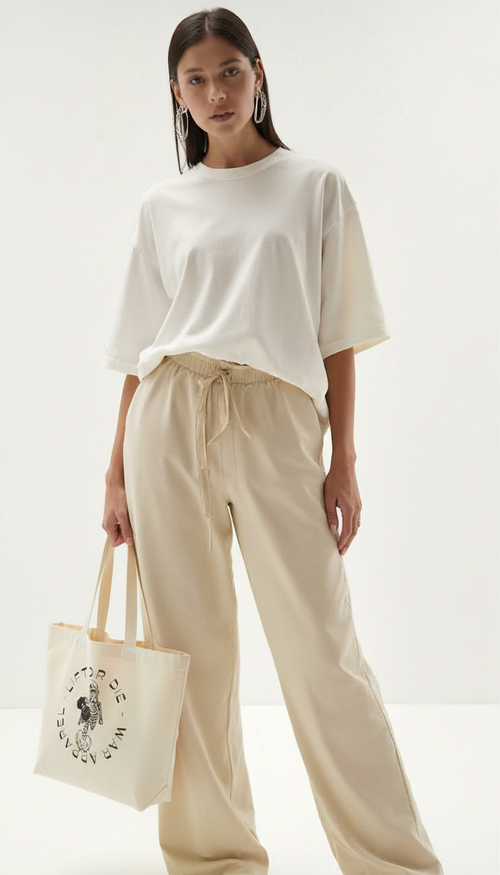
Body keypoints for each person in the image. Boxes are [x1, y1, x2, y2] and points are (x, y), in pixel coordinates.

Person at [101, 7, 445, 875]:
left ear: (259, 72)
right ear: (175, 94)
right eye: (194, 79)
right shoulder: (163, 203)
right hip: (169, 418)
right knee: (189, 655)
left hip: (277, 418)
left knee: (321, 650)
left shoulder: (316, 185)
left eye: (228, 72)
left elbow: (340, 333)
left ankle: (389, 859)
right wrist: (115, 474)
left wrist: (346, 460)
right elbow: (140, 349)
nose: (214, 93)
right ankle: (213, 856)